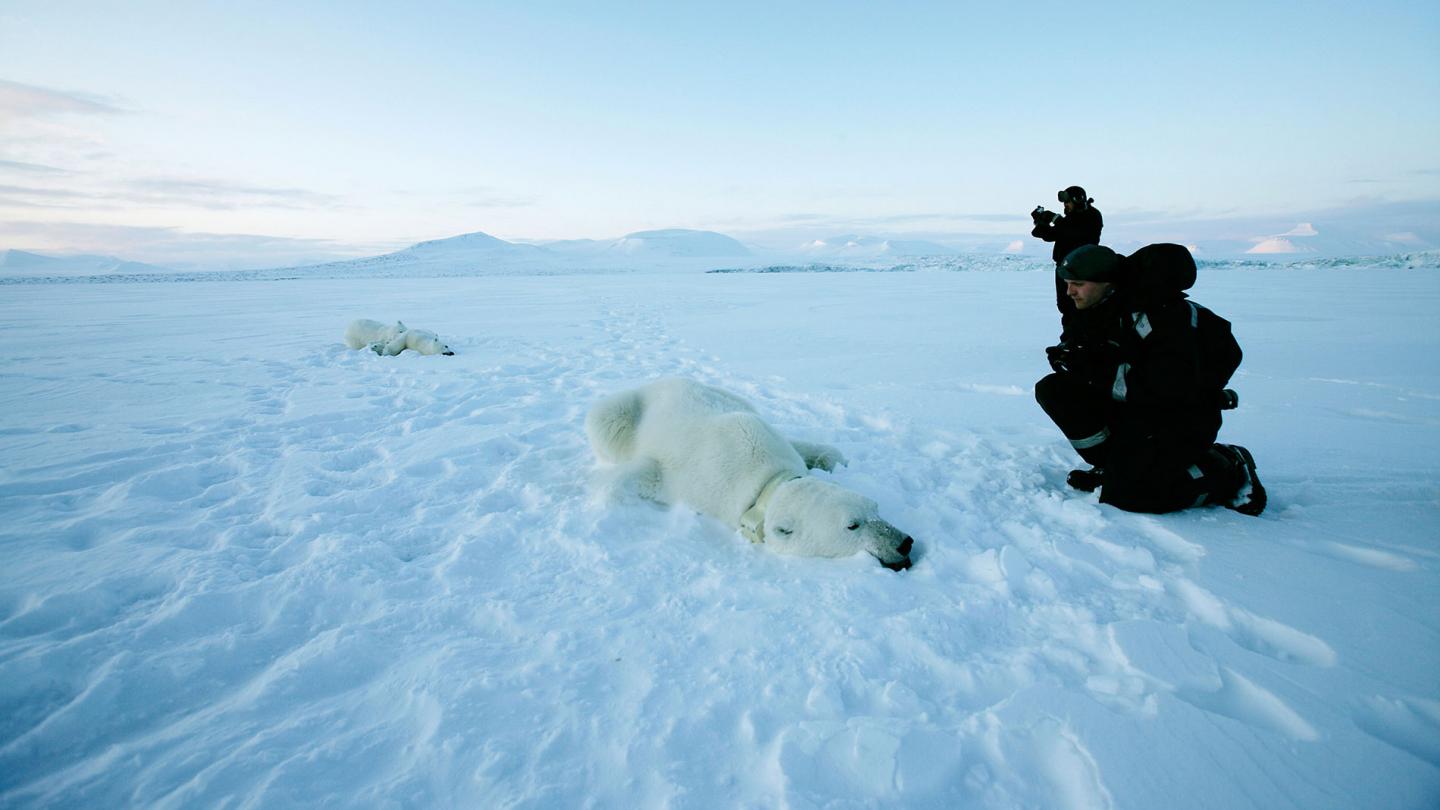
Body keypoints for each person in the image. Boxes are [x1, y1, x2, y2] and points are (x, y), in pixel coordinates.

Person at [1033, 243, 1266, 515]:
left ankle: (1227, 467)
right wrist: (1071, 359)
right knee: (1055, 390)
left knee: (1127, 496)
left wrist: (1094, 369)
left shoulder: (1163, 318)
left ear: (1107, 283)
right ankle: (1115, 465)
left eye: (1078, 284)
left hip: (1179, 418)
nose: (1069, 291)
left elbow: (1167, 386)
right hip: (1136, 411)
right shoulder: (1097, 311)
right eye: (1067, 284)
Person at [1031, 186, 1103, 323]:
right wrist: (1040, 222)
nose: (1065, 205)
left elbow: (1074, 231)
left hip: (1080, 269)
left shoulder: (1091, 216)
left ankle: (1080, 334)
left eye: (1068, 202)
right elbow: (1050, 234)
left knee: (1078, 306)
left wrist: (1055, 218)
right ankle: (1071, 333)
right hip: (1064, 269)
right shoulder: (1070, 219)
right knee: (1066, 306)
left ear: (1078, 200)